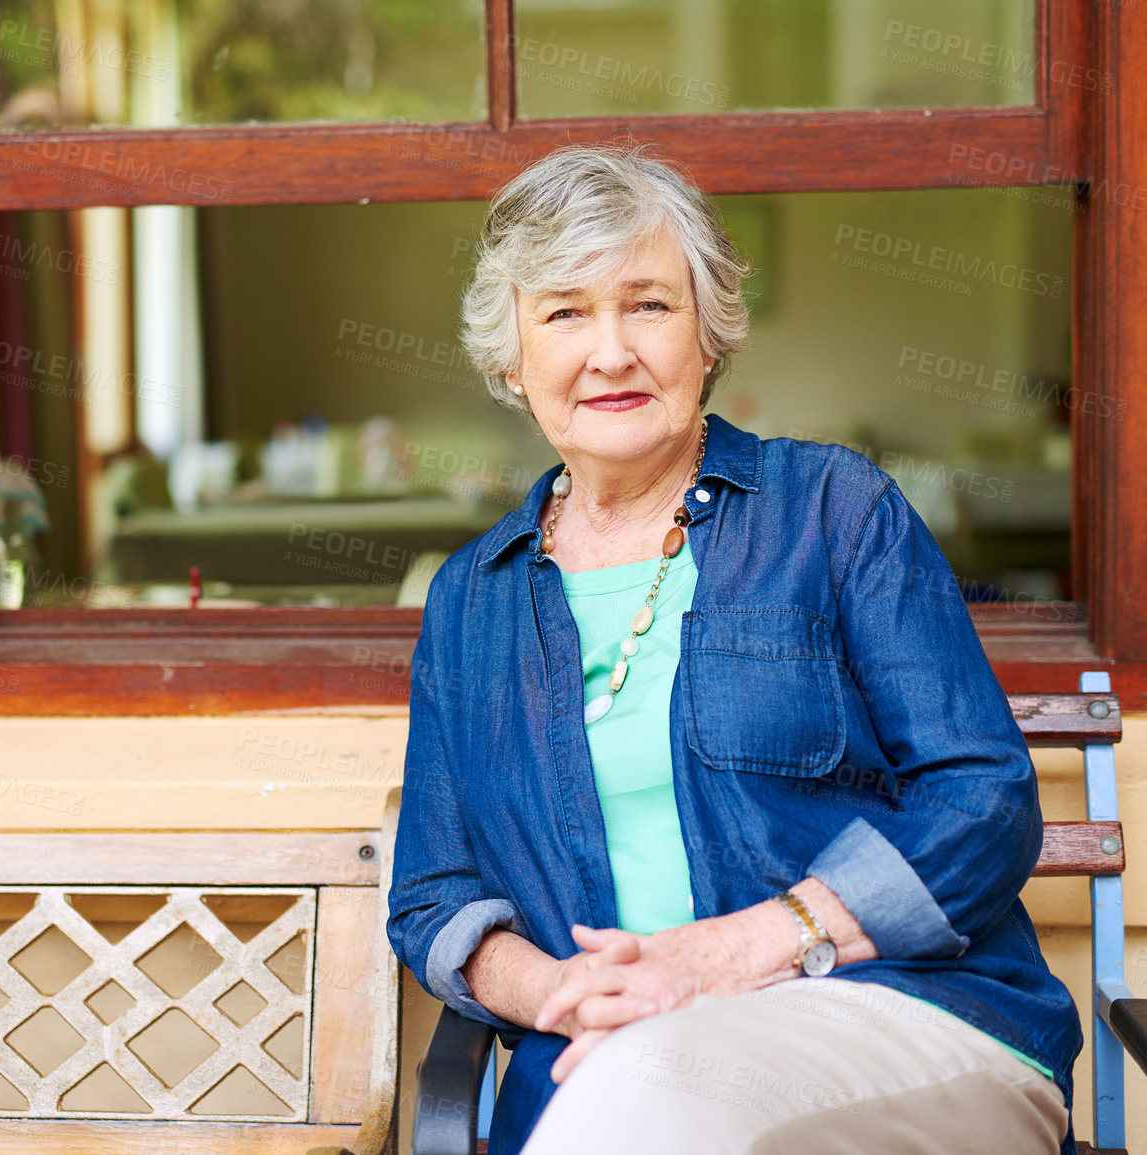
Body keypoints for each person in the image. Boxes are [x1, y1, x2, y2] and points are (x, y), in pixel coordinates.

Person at [386, 144, 1082, 1155]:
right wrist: (560, 991)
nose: (611, 352)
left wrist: (722, 958)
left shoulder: (837, 514)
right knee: (636, 1099)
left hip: (896, 1014)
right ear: (512, 358)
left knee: (647, 1104)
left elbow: (982, 799)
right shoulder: (470, 602)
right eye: (565, 312)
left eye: (650, 306)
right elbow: (434, 891)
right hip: (602, 1060)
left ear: (710, 336)